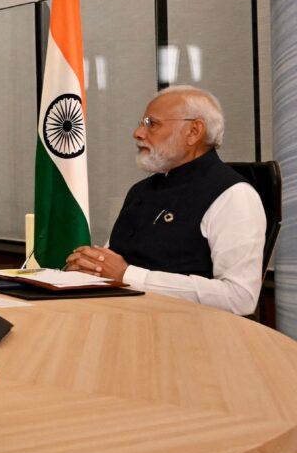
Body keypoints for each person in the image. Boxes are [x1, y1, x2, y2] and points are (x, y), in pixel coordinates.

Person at [65, 85, 265, 316]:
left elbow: (240, 297)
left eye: (152, 124)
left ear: (193, 131)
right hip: (118, 317)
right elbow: (112, 262)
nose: (138, 132)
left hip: (188, 335)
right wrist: (88, 266)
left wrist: (128, 275)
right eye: (142, 123)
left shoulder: (234, 195)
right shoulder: (140, 191)